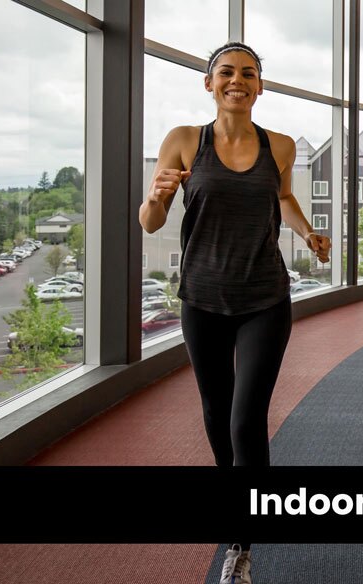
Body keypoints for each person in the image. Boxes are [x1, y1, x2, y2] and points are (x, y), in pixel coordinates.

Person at [138, 41, 330, 584]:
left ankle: (241, 543)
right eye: (226, 72)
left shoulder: (282, 146)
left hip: (265, 298)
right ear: (209, 83)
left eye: (248, 73)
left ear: (260, 86)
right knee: (215, 412)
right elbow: (151, 222)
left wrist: (307, 232)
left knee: (247, 419)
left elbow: (284, 198)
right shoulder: (182, 141)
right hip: (201, 299)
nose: (237, 80)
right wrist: (155, 196)